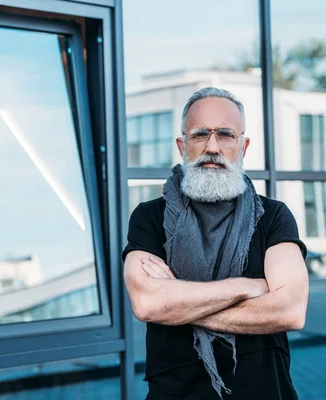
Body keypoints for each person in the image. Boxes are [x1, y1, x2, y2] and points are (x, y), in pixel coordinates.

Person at [123, 87, 309, 399]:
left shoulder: (273, 216)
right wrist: (246, 287)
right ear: (183, 145)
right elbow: (148, 303)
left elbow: (290, 310)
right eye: (200, 135)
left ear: (243, 146)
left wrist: (180, 307)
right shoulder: (149, 217)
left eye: (225, 134)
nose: (213, 146)